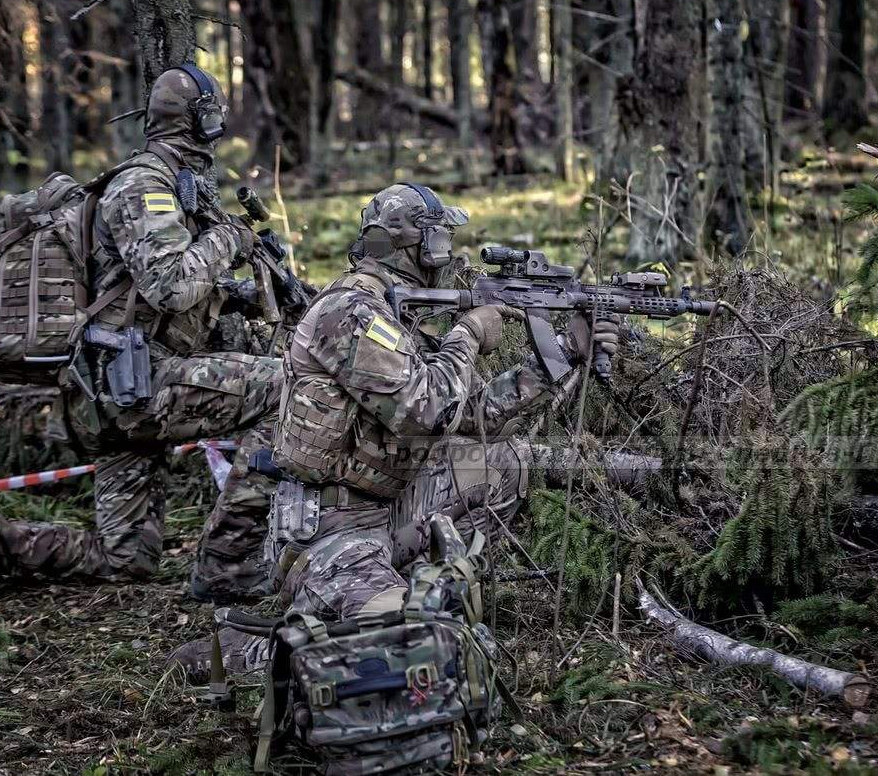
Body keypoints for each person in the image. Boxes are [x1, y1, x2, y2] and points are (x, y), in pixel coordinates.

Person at [170, 183, 620, 678]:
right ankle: (243, 650)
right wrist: (467, 334)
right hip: (330, 526)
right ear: (415, 245)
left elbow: (466, 417)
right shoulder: (351, 312)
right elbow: (426, 410)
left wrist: (561, 352)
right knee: (389, 652)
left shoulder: (395, 310)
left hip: (385, 507)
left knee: (500, 461)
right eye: (440, 240)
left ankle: (427, 587)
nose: (447, 253)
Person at [0, 64, 282, 590]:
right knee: (286, 388)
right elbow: (169, 283)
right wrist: (230, 240)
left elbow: (143, 292)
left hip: (115, 388)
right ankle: (227, 564)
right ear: (200, 120)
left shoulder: (172, 187)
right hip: (137, 387)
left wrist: (240, 296)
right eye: (215, 115)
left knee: (126, 562)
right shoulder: (144, 185)